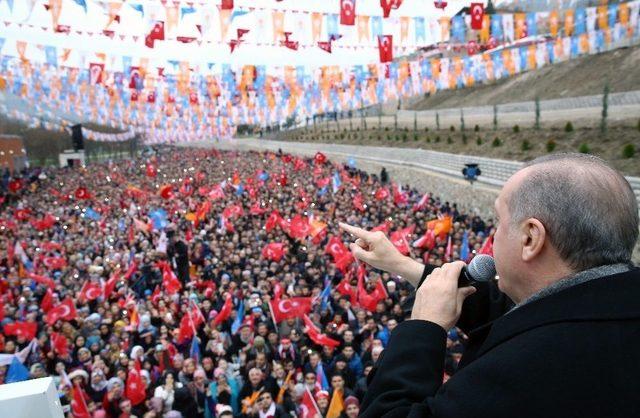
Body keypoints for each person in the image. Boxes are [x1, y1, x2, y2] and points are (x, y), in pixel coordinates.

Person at [340, 153, 640, 417]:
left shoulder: (518, 375)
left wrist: (423, 328)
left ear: (530, 238)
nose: (494, 236)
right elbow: (524, 312)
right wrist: (401, 264)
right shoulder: (607, 310)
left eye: (499, 220)